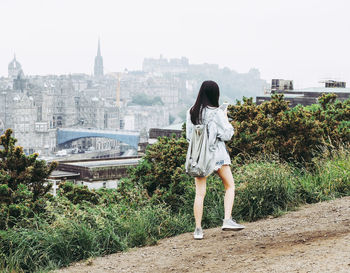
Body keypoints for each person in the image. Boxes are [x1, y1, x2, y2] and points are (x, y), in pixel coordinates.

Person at [186, 80, 245, 240]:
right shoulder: (217, 112)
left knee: (200, 194)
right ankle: (227, 219)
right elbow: (227, 135)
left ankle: (198, 230)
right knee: (230, 186)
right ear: (215, 94)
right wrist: (225, 118)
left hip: (200, 158)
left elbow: (188, 137)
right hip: (218, 156)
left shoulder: (192, 111)